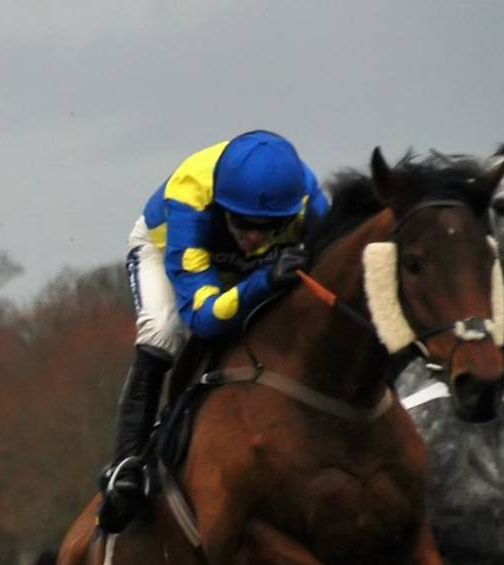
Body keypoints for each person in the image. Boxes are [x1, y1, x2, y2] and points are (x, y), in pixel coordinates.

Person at [95, 130, 331, 533]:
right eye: (242, 223)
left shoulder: (308, 202)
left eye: (268, 227)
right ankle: (126, 466)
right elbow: (202, 317)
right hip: (167, 248)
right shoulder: (189, 196)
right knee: (163, 331)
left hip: (250, 265)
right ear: (222, 206)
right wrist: (264, 282)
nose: (253, 237)